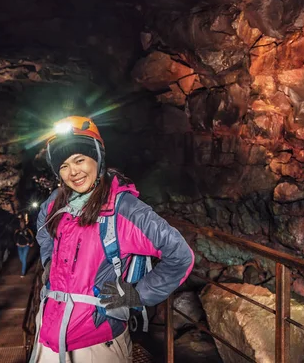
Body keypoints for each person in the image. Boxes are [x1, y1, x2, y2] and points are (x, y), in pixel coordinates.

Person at [31, 116, 194, 363]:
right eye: (63, 165)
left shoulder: (124, 209)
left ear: (97, 159)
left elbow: (180, 255)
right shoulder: (56, 202)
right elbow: (43, 230)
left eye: (79, 160)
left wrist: (138, 294)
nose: (73, 172)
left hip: (96, 342)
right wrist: (48, 264)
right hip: (49, 336)